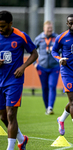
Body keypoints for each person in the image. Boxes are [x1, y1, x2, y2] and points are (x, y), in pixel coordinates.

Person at [0, 11, 38, 150]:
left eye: (3, 26)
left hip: (14, 81)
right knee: (3, 116)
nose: (0, 29)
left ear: (10, 23)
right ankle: (22, 139)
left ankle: (10, 148)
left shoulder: (21, 36)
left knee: (11, 114)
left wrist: (23, 66)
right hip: (0, 80)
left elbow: (34, 53)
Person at [34, 21, 60, 115]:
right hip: (42, 67)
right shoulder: (39, 39)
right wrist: (34, 64)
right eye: (48, 28)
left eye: (51, 28)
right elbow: (32, 50)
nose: (50, 30)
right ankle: (47, 107)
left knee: (52, 86)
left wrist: (55, 50)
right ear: (44, 28)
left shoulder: (56, 38)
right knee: (44, 88)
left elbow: (61, 49)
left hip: (54, 67)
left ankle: (50, 107)